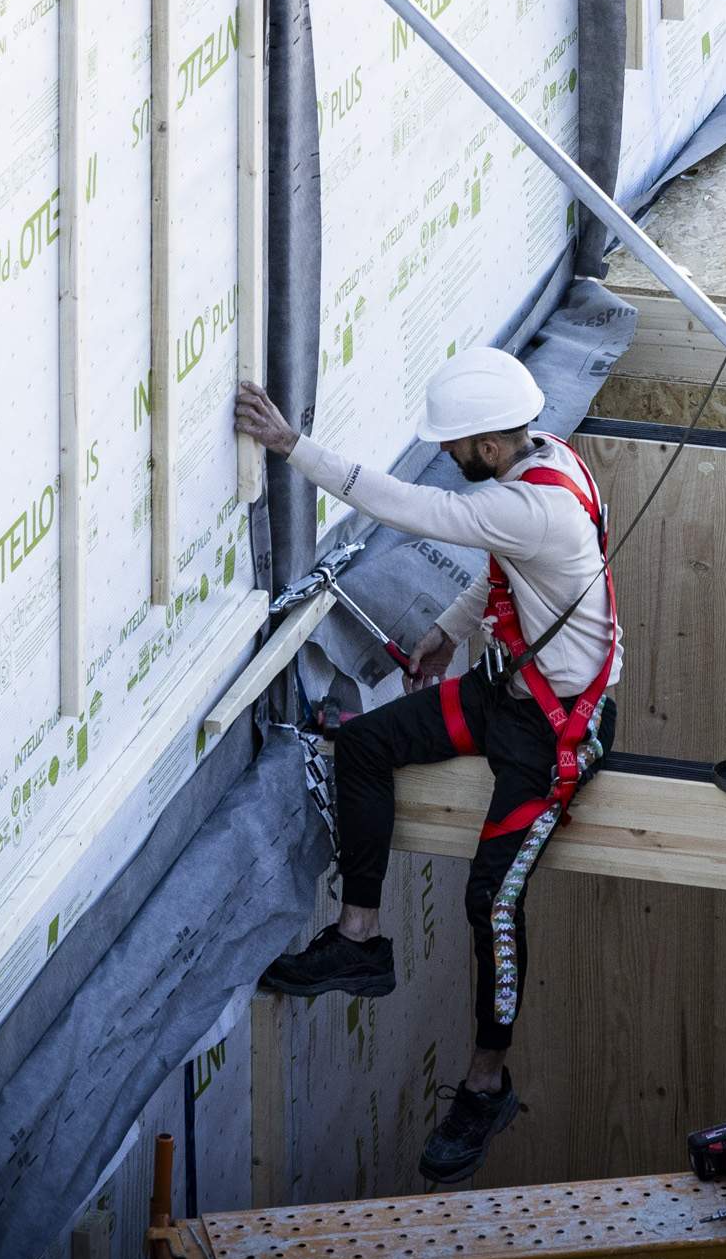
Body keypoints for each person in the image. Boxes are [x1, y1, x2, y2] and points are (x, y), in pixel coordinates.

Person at [232, 349, 622, 1185]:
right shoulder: (548, 464)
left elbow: (412, 506)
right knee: (366, 744)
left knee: (491, 898)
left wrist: (292, 444)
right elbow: (502, 567)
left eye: (454, 443)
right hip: (505, 692)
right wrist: (449, 625)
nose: (447, 454)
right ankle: (361, 940)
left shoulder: (532, 505)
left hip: (554, 737)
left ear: (488, 441)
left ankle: (487, 1081)